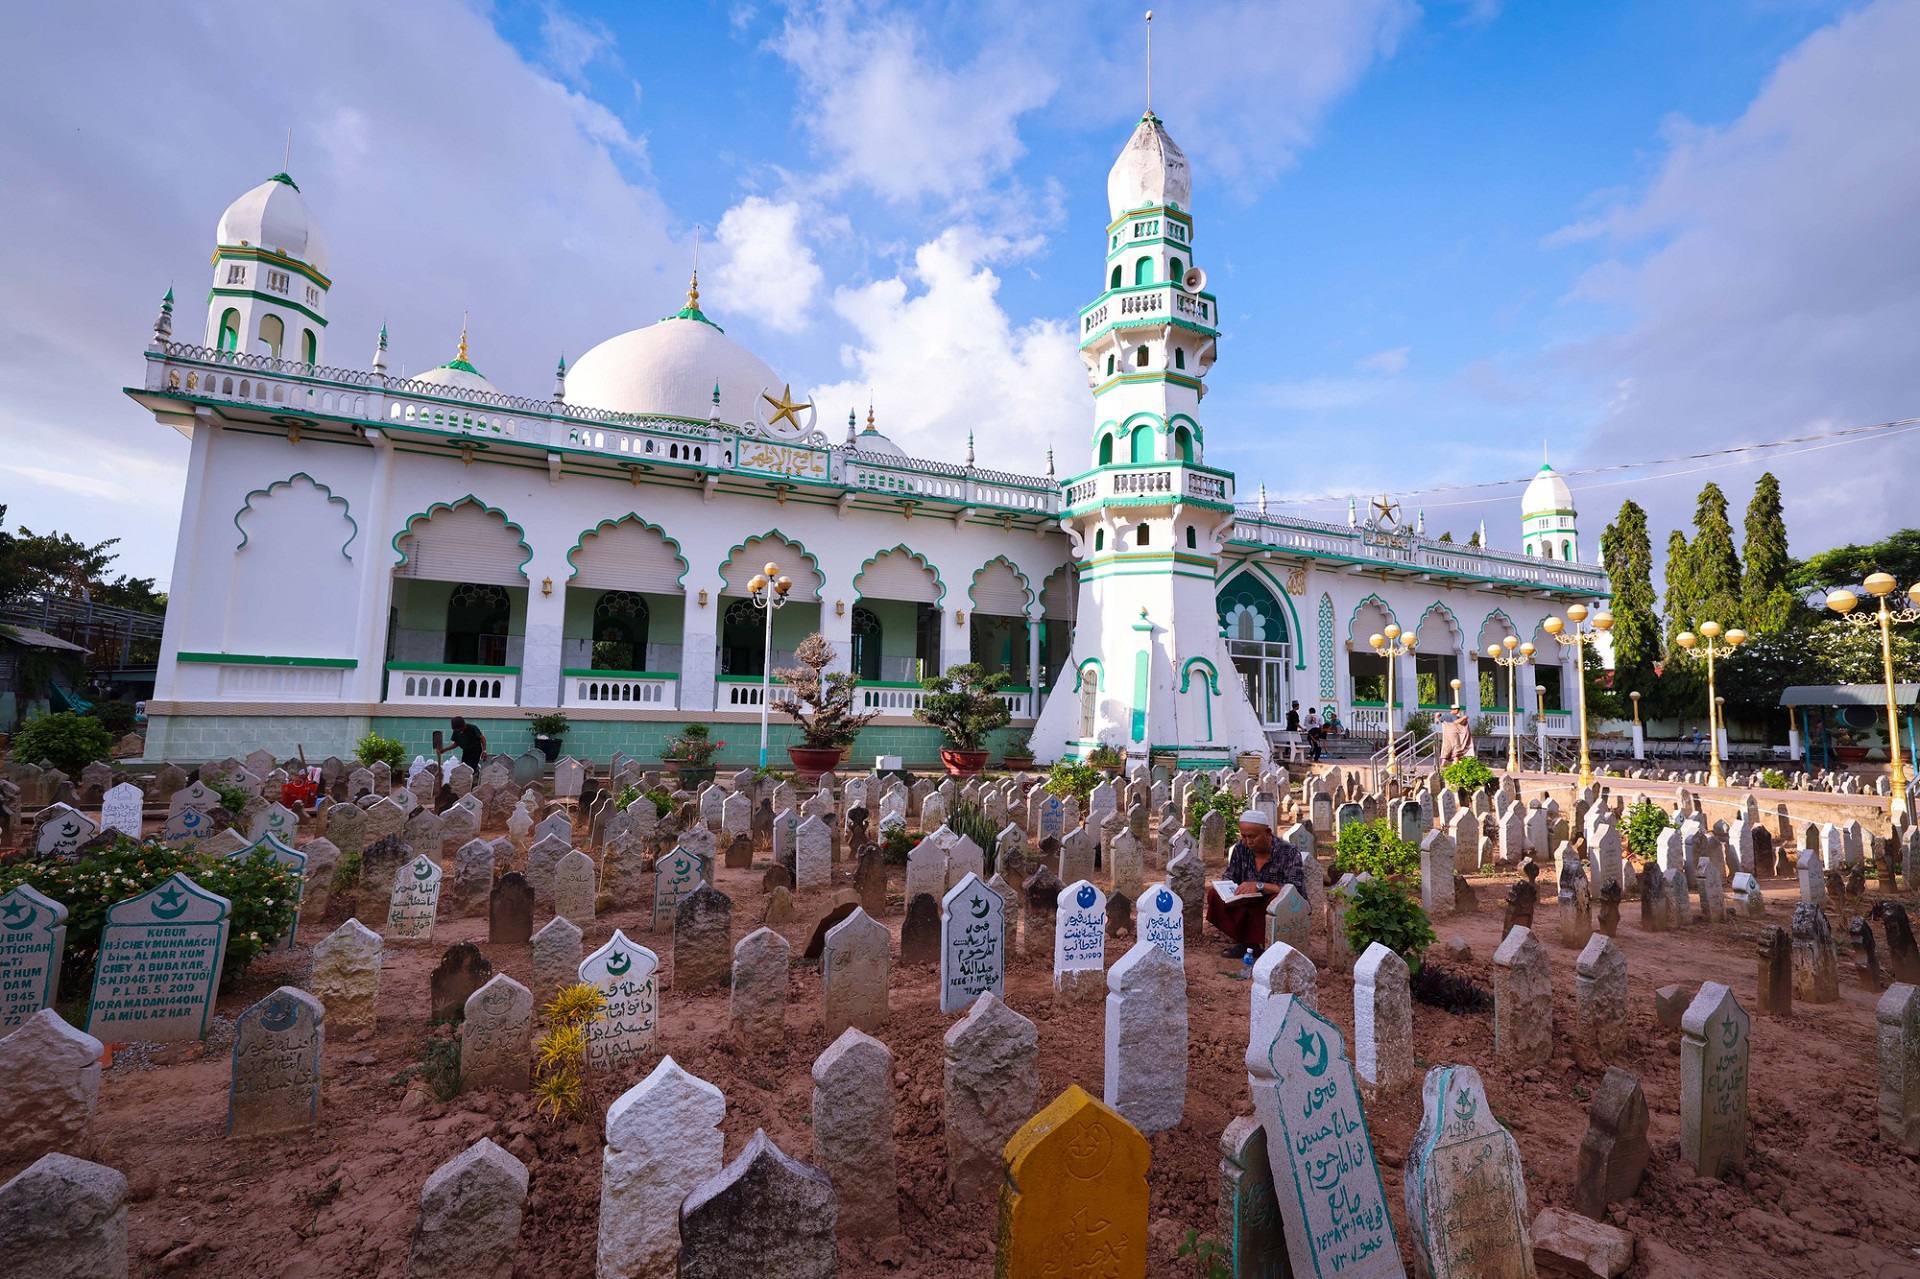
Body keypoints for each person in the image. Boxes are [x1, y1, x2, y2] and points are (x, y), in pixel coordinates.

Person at [1204, 812, 1308, 956]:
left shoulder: (1288, 852)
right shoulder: (1241, 848)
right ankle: (1245, 943)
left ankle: (1268, 945)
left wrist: (1260, 886)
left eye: (1252, 836)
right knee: (1215, 895)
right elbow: (1230, 875)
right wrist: (1227, 888)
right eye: (1244, 836)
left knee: (1277, 902)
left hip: (1270, 901)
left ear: (1267, 833)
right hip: (1245, 901)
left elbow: (1295, 889)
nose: (1248, 841)